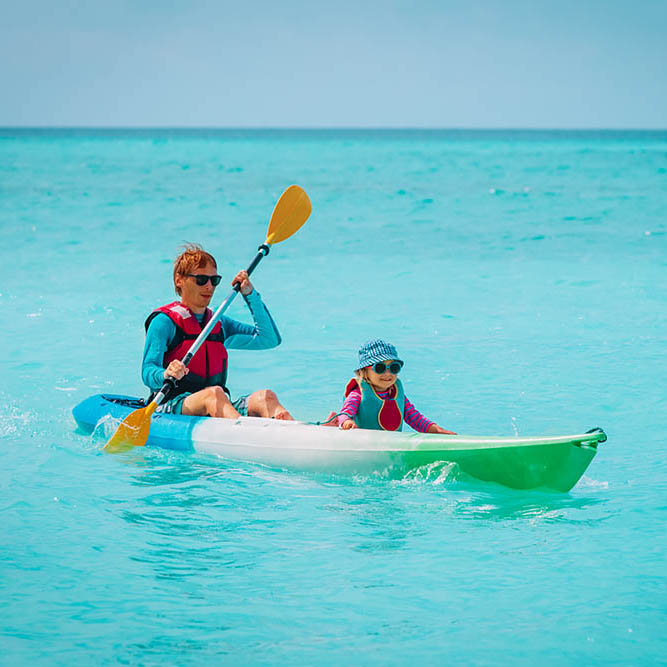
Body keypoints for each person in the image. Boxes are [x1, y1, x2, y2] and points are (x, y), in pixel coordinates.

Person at [142, 244, 292, 420]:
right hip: (171, 406)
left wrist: (250, 294)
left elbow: (269, 339)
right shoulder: (163, 322)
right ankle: (243, 433)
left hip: (217, 402)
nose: (209, 287)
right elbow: (147, 370)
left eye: (214, 280)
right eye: (201, 280)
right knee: (214, 395)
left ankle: (301, 434)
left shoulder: (218, 323)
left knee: (265, 397)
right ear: (179, 280)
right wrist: (166, 374)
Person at [334, 339, 456, 434]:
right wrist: (347, 422)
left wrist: (438, 430)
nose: (388, 374)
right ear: (364, 371)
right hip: (365, 443)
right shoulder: (358, 394)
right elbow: (345, 414)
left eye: (394, 368)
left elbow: (415, 418)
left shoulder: (397, 393)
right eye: (380, 368)